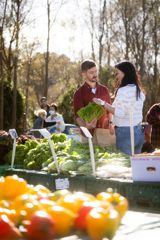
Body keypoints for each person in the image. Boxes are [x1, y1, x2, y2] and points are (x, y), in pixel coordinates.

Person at [93, 60, 145, 155]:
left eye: (118, 73)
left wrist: (102, 103)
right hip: (139, 132)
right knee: (136, 166)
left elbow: (120, 113)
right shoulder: (139, 91)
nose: (116, 76)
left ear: (125, 73)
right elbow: (128, 112)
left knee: (126, 165)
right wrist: (112, 123)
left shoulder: (123, 90)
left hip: (126, 133)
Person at [73, 59, 114, 144]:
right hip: (87, 135)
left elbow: (110, 110)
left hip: (104, 132)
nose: (95, 75)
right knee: (89, 156)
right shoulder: (78, 93)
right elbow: (77, 116)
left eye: (96, 71)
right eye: (91, 72)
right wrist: (85, 126)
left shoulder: (104, 90)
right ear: (84, 74)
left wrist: (111, 123)